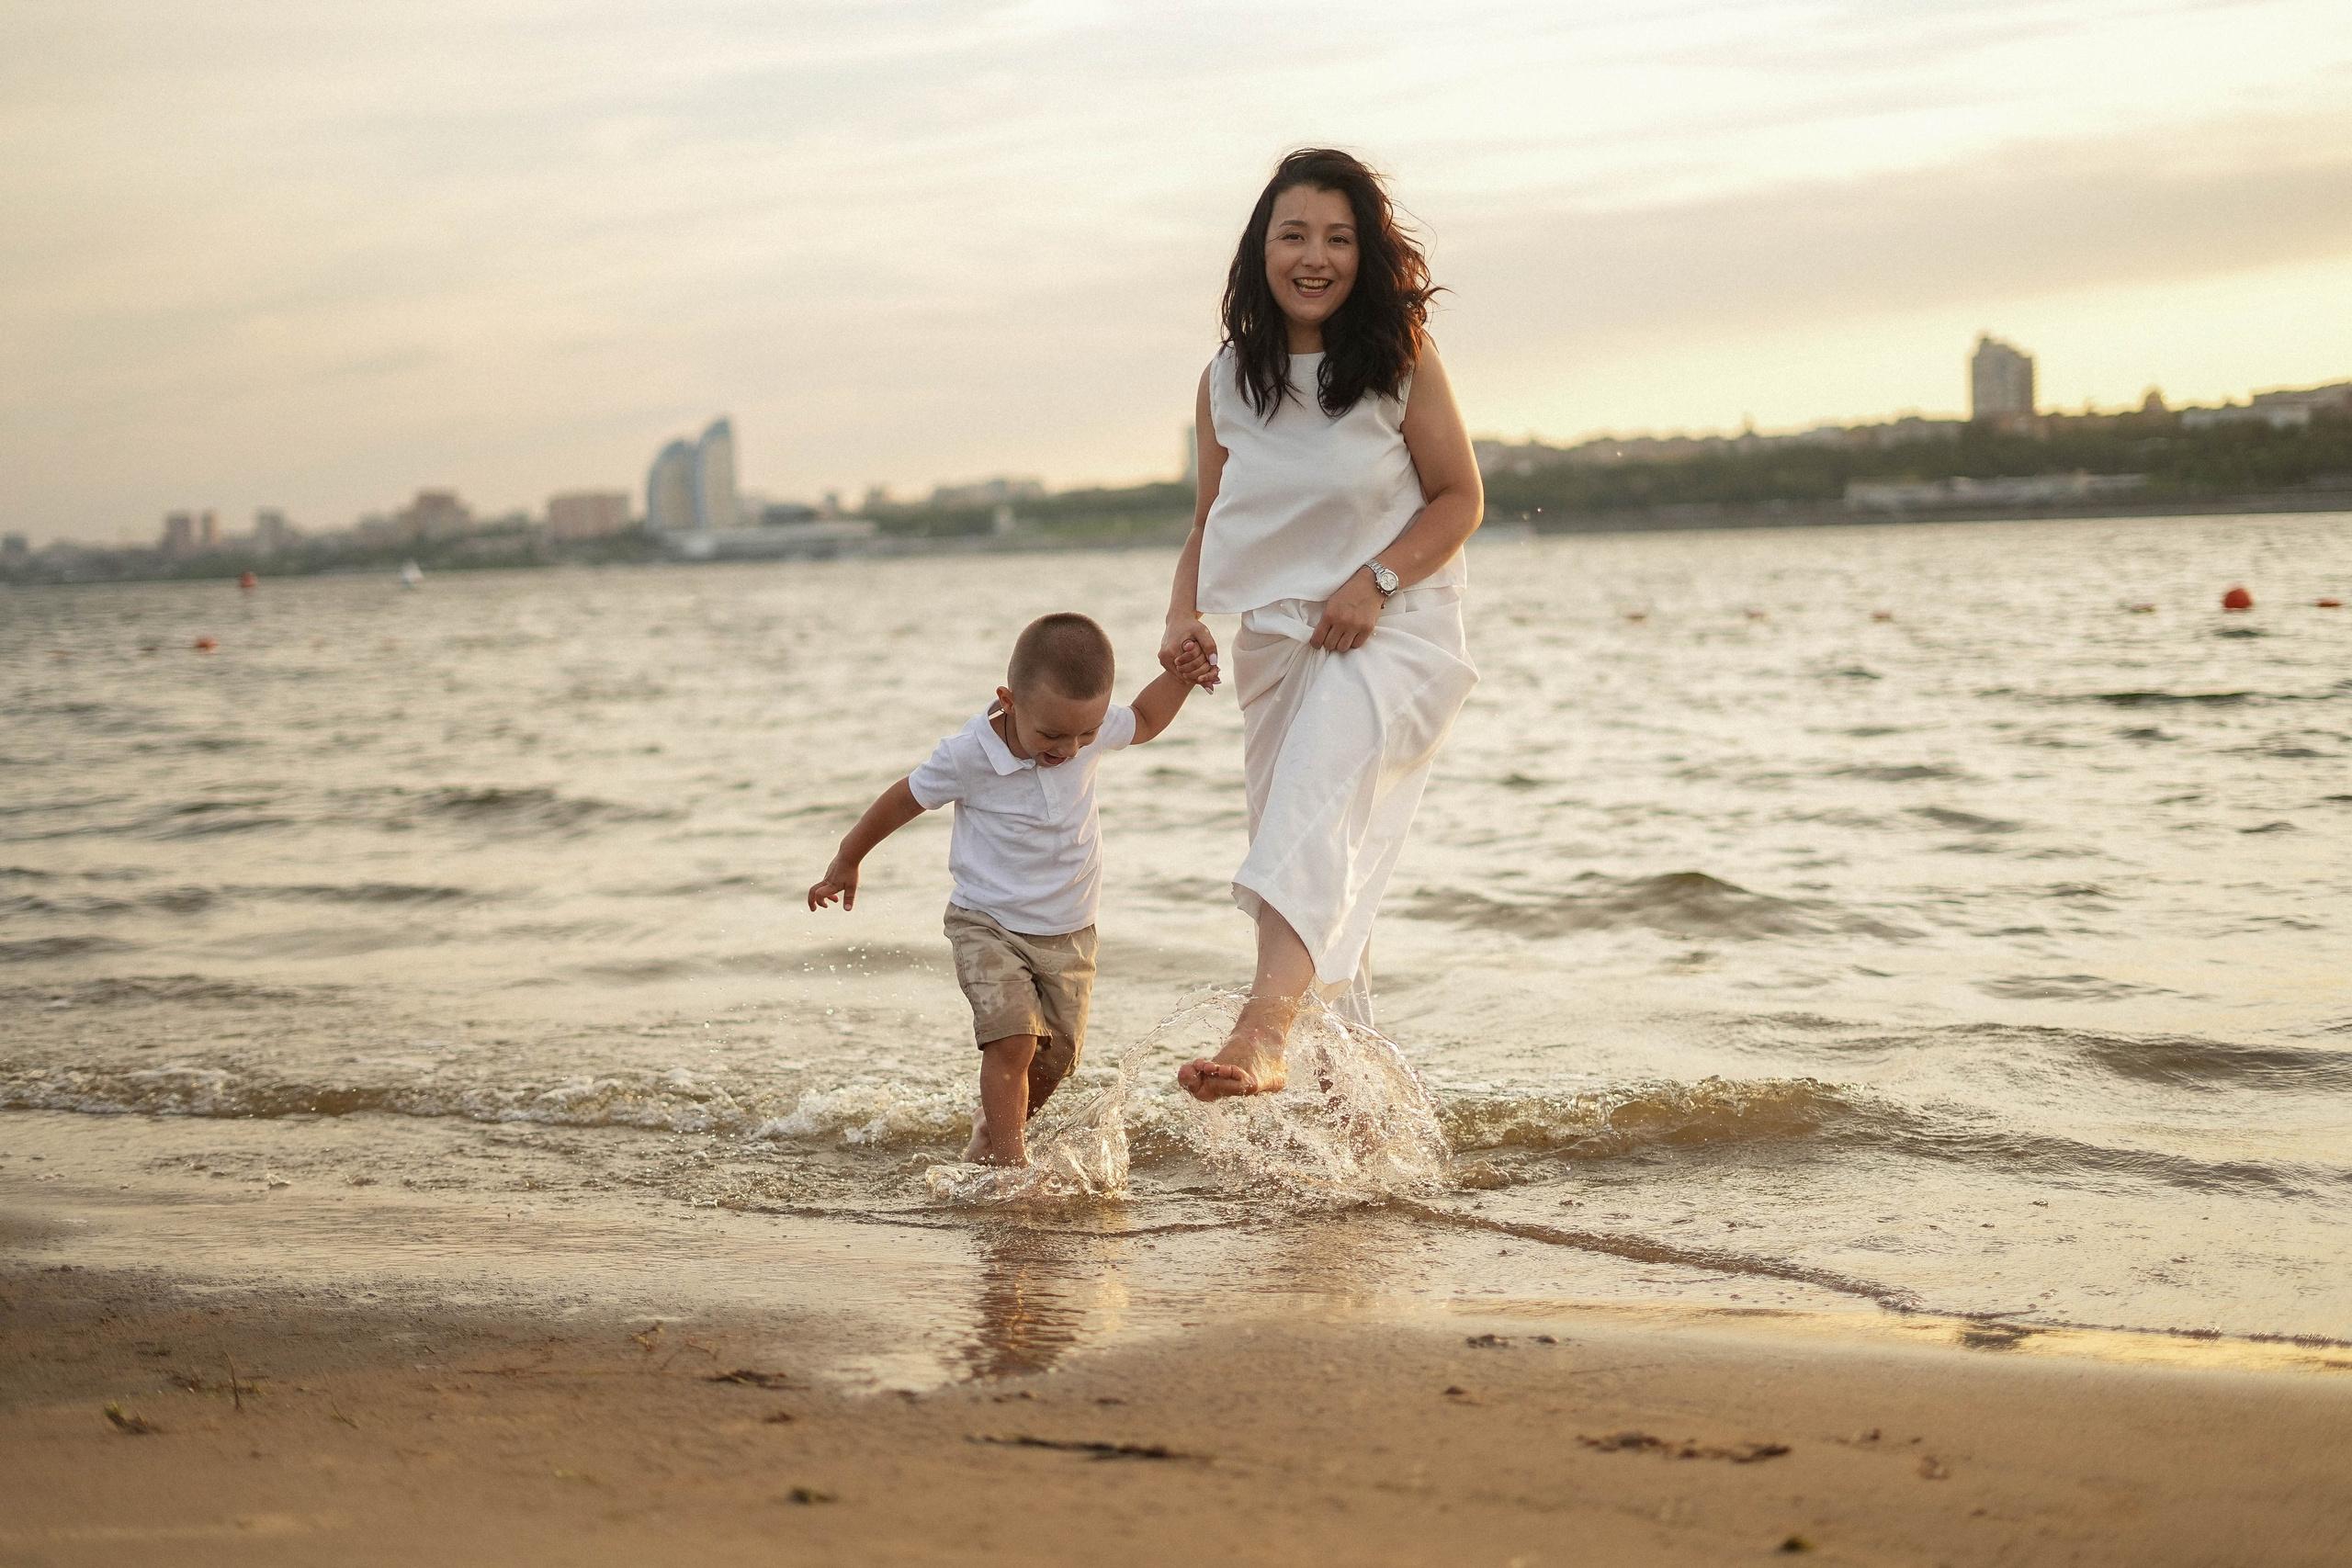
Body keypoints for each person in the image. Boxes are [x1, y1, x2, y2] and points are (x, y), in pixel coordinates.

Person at [1161, 148, 1483, 1102]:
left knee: (1309, 813)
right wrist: (1182, 614)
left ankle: (1261, 1032)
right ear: (1260, 249)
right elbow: (1209, 521)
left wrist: (1374, 582)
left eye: (1338, 239)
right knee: (1325, 865)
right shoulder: (1226, 380)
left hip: (1397, 632)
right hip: (1277, 647)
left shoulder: (1400, 359)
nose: (1315, 257)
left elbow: (1459, 499)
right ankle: (1361, 1115)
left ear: (1365, 254)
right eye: (1293, 235)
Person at [808, 613, 1196, 1165]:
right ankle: (1012, 1168)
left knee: (1055, 1059)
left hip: (1070, 929)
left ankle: (991, 1137)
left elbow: (1146, 719)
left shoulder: (1082, 726)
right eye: (1052, 735)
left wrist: (1181, 675)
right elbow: (903, 799)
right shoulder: (967, 754)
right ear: (1009, 701)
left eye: (1085, 734)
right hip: (986, 922)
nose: (1069, 748)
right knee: (1013, 1039)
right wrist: (848, 859)